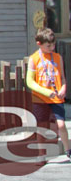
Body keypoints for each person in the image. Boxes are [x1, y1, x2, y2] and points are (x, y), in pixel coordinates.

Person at [25, 27, 69, 161]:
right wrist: (45, 92)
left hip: (56, 98)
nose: (52, 47)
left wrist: (63, 89)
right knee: (42, 126)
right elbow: (30, 82)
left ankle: (68, 149)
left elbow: (62, 77)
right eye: (48, 45)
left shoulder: (57, 57)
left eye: (53, 44)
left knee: (61, 124)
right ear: (39, 44)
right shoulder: (34, 59)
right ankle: (41, 154)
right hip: (40, 99)